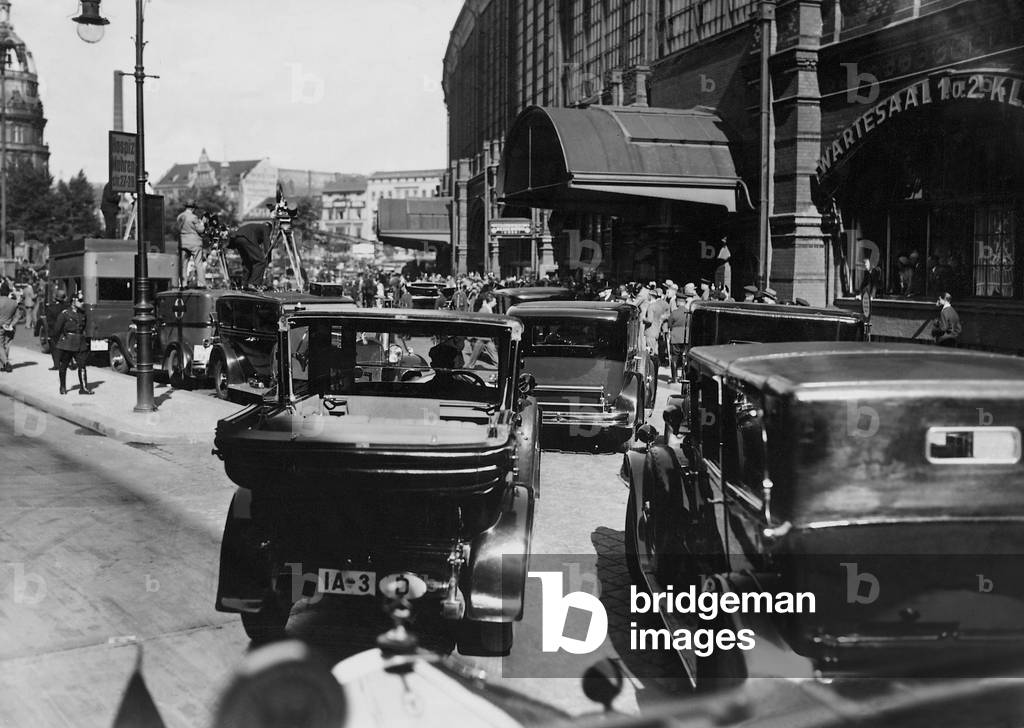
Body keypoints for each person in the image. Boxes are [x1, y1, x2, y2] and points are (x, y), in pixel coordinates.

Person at [53, 291, 93, 395]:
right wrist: (59, 343)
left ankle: (83, 388)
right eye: (80, 300)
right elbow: (57, 329)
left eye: (83, 300)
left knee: (82, 365)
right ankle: (62, 387)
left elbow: (83, 327)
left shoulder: (82, 314)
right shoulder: (65, 313)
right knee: (64, 365)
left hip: (79, 342)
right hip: (67, 343)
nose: (82, 302)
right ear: (73, 301)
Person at [226, 221, 273, 290]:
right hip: (246, 238)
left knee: (247, 263)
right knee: (261, 261)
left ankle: (244, 284)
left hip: (237, 239)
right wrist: (268, 258)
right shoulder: (265, 228)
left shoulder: (255, 227)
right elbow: (267, 242)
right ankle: (253, 283)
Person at [177, 199, 207, 288]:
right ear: (193, 208)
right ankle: (201, 283)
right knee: (198, 262)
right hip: (194, 243)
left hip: (183, 242)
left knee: (183, 264)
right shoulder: (193, 217)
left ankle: (183, 283)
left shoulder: (179, 217)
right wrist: (203, 223)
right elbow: (201, 230)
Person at [44, 290, 67, 369]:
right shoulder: (66, 306)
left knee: (54, 348)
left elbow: (49, 321)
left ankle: (56, 365)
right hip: (64, 329)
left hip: (54, 330)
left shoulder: (51, 307)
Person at [856, 256, 883, 320]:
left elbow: (875, 284)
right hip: (870, 294)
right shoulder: (866, 272)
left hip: (878, 293)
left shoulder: (876, 270)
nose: (865, 266)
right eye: (864, 265)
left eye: (866, 264)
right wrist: (860, 294)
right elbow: (864, 284)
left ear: (870, 263)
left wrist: (872, 296)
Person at [0, 288, 18, 372]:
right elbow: (18, 316)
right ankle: (3, 364)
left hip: (0, 326)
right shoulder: (14, 303)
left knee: (0, 346)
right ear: (8, 293)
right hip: (9, 326)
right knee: (6, 345)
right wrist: (11, 324)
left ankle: (6, 363)